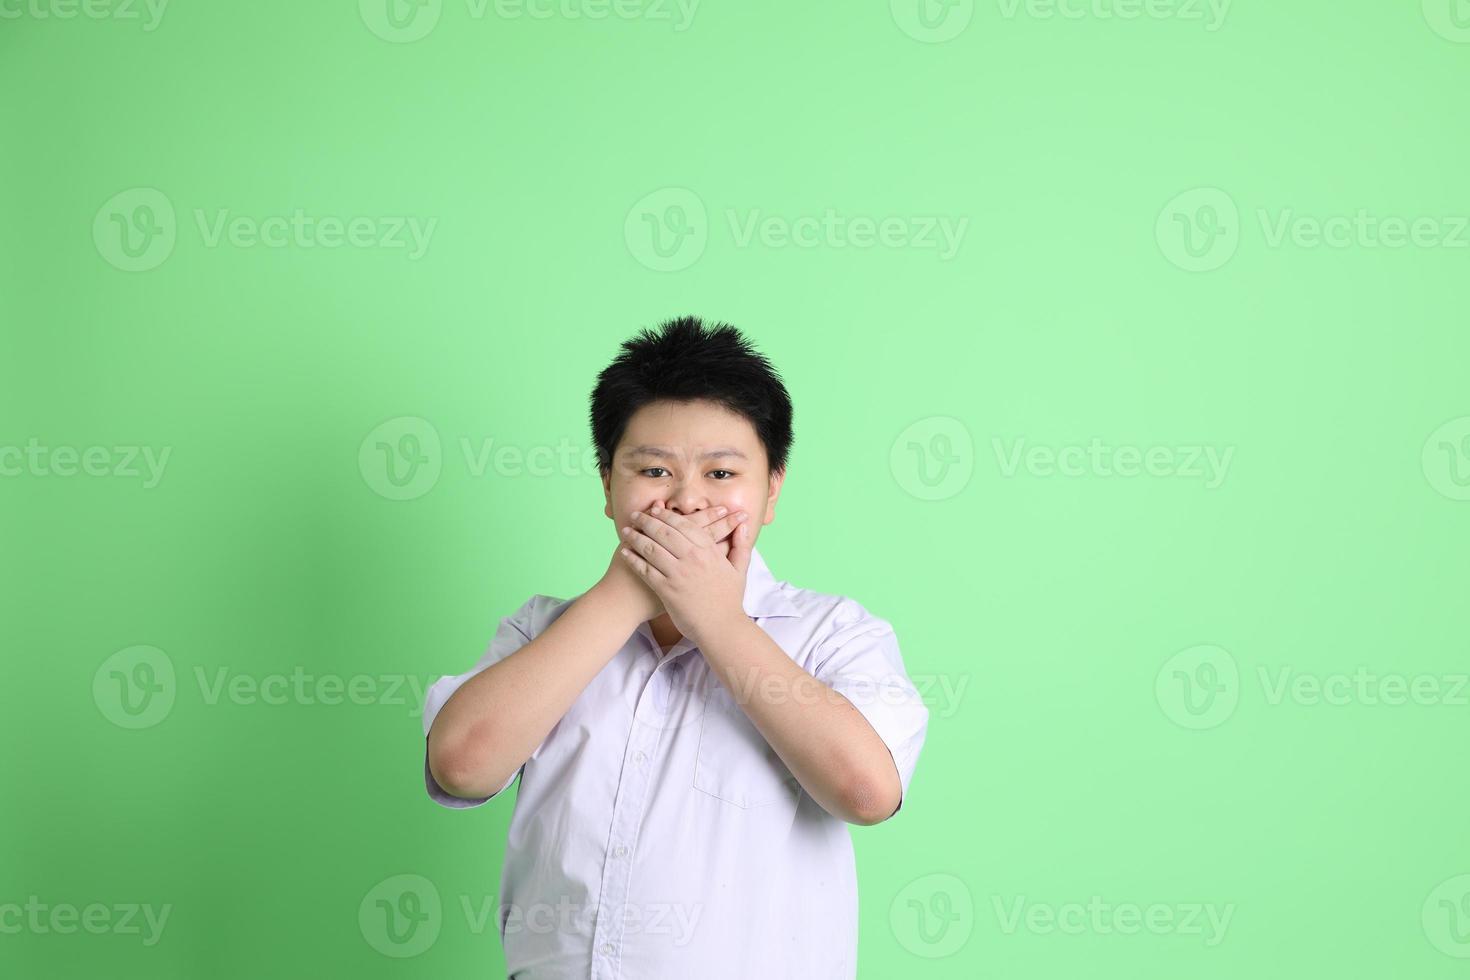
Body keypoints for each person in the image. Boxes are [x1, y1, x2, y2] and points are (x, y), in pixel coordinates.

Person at [420, 315, 930, 979]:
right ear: (608, 484)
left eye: (722, 473)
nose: (687, 501)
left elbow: (866, 791)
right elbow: (462, 763)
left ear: (772, 487)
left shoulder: (832, 634)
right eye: (654, 470)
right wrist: (625, 596)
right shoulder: (541, 632)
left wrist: (716, 617)